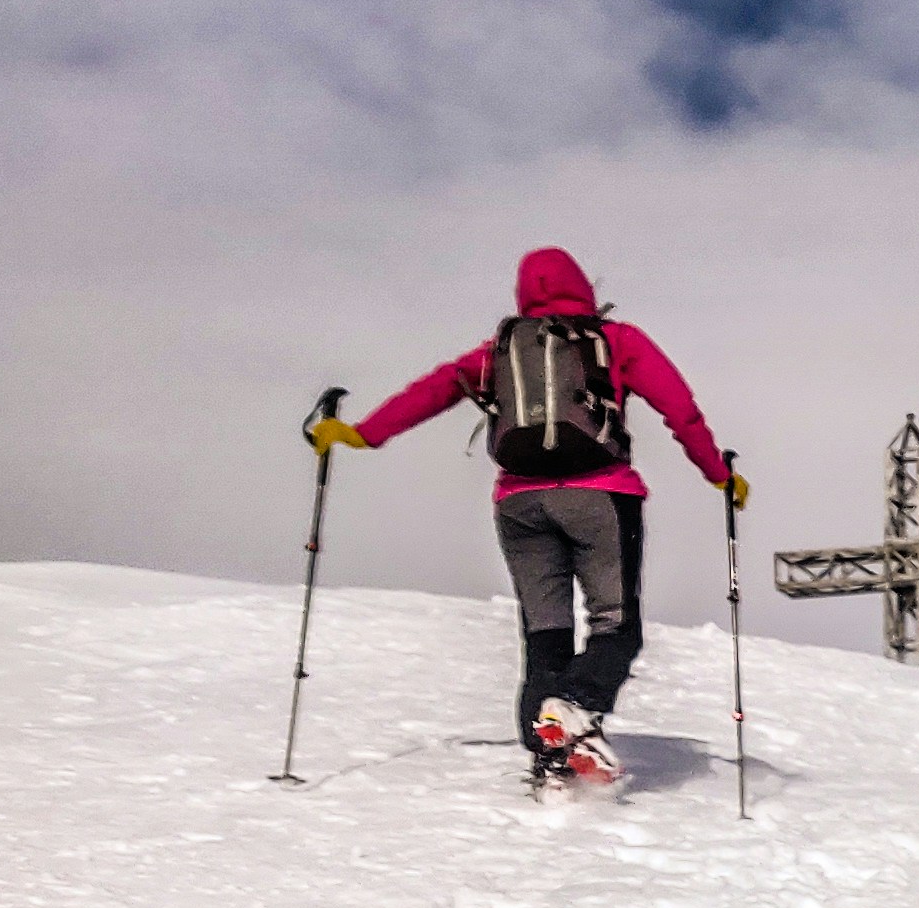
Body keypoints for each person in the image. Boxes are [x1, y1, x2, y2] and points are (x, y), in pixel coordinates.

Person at [317, 248, 744, 783]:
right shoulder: (615, 340)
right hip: (599, 496)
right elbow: (680, 409)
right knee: (617, 626)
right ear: (585, 288)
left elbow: (436, 387)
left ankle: (551, 753)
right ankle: (572, 706)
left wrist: (363, 433)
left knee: (545, 632)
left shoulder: (500, 351)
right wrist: (717, 473)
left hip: (519, 505)